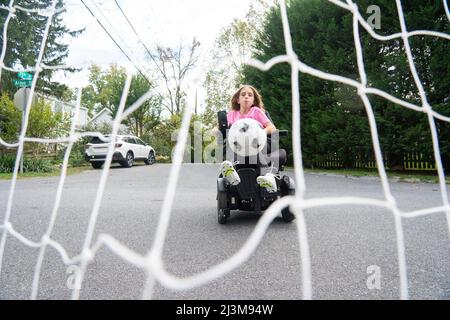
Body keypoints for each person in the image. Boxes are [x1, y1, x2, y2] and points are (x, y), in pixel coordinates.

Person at [219, 85, 278, 193]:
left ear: (253, 100)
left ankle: (268, 178)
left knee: (255, 146)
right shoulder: (232, 114)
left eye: (250, 95)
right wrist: (215, 130)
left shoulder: (256, 111)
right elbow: (219, 128)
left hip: (258, 142)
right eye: (243, 94)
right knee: (230, 146)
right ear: (238, 99)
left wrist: (261, 132)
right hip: (238, 145)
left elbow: (272, 128)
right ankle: (231, 172)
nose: (246, 97)